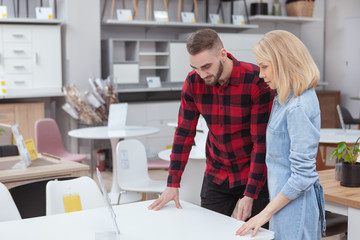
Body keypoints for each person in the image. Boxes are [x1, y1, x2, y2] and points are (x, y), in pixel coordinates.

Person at [148, 28, 275, 224]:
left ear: (222, 54)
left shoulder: (256, 80)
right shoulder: (193, 82)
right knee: (209, 231)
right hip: (216, 174)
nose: (201, 74)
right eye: (195, 67)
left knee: (257, 235)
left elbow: (261, 143)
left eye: (206, 66)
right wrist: (173, 183)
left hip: (253, 176)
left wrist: (250, 193)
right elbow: (184, 134)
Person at [236, 30, 326, 239]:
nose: (260, 74)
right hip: (283, 204)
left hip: (295, 209)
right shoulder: (284, 98)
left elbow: (302, 176)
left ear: (284, 62)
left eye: (264, 66)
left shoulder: (298, 106)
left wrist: (262, 215)